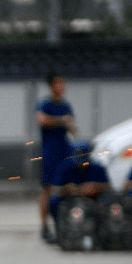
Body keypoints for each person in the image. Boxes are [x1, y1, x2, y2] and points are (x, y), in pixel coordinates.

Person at [36, 72, 77, 243]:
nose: (62, 86)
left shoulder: (66, 105)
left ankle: (65, 223)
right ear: (52, 85)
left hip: (64, 151)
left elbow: (73, 128)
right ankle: (45, 226)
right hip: (50, 152)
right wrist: (62, 121)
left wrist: (70, 125)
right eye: (59, 83)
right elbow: (42, 120)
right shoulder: (45, 104)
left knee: (67, 187)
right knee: (47, 188)